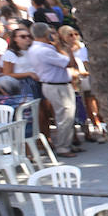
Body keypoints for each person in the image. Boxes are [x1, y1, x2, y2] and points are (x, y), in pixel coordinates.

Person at [26, 22, 80, 157]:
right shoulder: (44, 50)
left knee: (65, 116)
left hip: (55, 84)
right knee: (65, 117)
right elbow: (69, 63)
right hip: (57, 86)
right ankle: (63, 147)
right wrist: (67, 49)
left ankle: (67, 144)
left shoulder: (37, 48)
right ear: (46, 33)